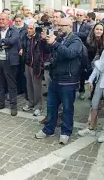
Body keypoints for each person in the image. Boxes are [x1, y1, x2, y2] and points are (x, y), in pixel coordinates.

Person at [35, 17, 82, 145]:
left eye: (62, 25)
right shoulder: (59, 38)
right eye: (58, 25)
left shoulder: (75, 40)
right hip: (55, 78)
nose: (59, 27)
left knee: (67, 108)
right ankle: (48, 129)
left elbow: (70, 54)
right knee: (51, 107)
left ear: (70, 27)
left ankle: (66, 132)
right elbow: (46, 51)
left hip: (68, 80)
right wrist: (44, 41)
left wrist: (55, 43)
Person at [78, 31, 104, 143]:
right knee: (95, 103)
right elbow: (99, 67)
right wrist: (91, 79)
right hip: (101, 80)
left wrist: (96, 62)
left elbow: (102, 65)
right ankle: (91, 127)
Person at [0, 13, 20, 116]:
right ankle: (0, 103)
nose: (1, 21)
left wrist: (0, 42)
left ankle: (13, 106)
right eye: (0, 19)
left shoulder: (14, 30)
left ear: (8, 20)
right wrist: (3, 44)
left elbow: (12, 41)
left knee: (11, 85)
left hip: (9, 61)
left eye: (3, 19)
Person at [20, 21, 50, 116]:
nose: (29, 30)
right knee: (28, 84)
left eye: (31, 28)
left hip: (36, 64)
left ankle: (38, 106)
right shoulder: (25, 37)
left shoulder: (39, 38)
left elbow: (45, 50)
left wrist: (44, 39)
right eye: (28, 28)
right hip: (27, 63)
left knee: (37, 86)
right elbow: (23, 46)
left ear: (35, 29)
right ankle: (31, 102)